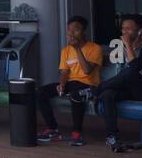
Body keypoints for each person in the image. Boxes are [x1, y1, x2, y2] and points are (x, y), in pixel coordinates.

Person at [96, 13, 142, 151]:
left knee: (130, 72)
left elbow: (134, 68)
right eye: (123, 28)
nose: (125, 32)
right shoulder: (122, 49)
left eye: (129, 29)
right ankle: (112, 137)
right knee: (108, 94)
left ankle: (95, 91)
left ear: (139, 31)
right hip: (130, 90)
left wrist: (128, 46)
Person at [37, 15, 103, 146]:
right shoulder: (66, 50)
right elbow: (64, 71)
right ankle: (53, 129)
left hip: (89, 85)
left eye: (76, 29)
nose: (72, 33)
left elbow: (87, 71)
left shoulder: (95, 48)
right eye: (69, 30)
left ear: (84, 31)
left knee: (75, 94)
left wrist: (77, 48)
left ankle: (77, 134)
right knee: (40, 92)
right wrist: (61, 84)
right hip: (71, 83)